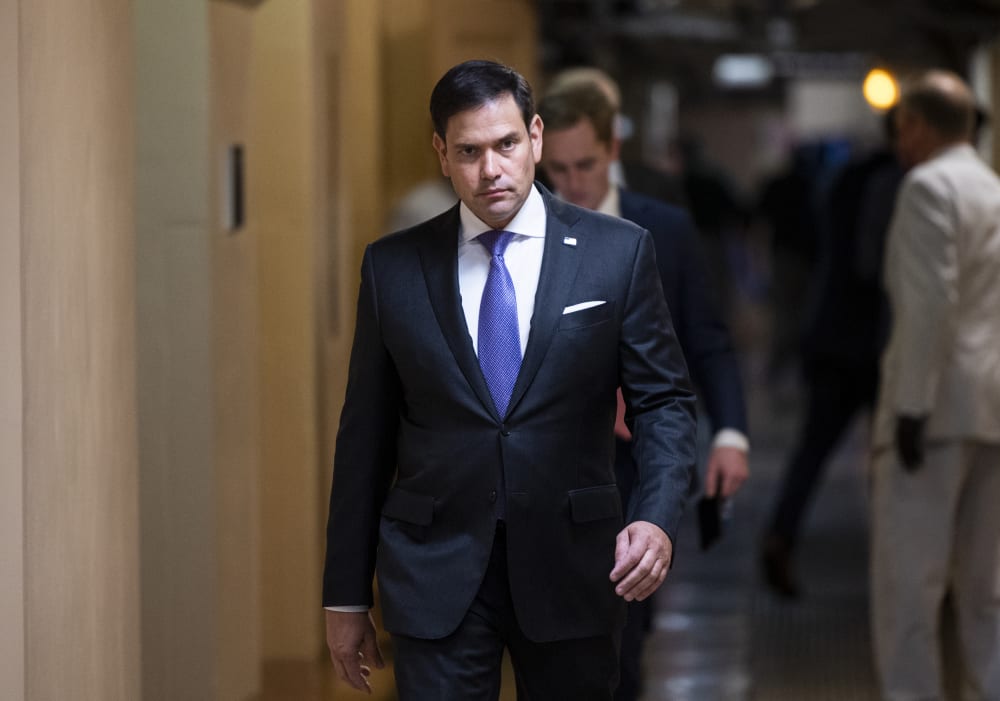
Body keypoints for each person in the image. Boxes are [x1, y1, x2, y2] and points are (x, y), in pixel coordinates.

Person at [322, 59, 698, 700]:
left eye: (506, 145)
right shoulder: (393, 269)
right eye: (469, 151)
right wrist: (345, 596)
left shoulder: (618, 252)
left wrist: (656, 517)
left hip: (574, 564)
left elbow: (663, 402)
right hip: (434, 569)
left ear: (537, 139)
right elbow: (365, 438)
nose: (490, 170)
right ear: (442, 152)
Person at [537, 79, 749, 701]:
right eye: (559, 169)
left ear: (614, 149)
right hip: (554, 463)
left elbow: (707, 339)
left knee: (627, 635)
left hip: (638, 464)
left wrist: (730, 434)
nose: (573, 182)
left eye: (587, 165)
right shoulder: (526, 231)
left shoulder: (665, 228)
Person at [870, 69, 1000, 700]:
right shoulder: (993, 189)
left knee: (910, 592)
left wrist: (912, 408)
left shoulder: (927, 187)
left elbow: (930, 305)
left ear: (916, 125)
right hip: (993, 414)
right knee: (986, 594)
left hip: (937, 413)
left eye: (901, 129)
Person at [761, 110, 903, 598]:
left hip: (830, 331)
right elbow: (871, 264)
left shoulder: (845, 176)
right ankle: (898, 565)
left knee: (813, 448)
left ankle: (781, 534)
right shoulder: (897, 181)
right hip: (868, 342)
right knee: (892, 457)